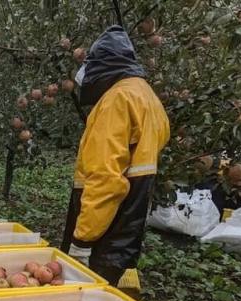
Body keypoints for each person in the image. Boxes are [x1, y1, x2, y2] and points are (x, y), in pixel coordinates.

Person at [61, 26, 170, 286]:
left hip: (105, 230)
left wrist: (82, 240)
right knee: (102, 296)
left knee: (83, 297)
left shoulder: (116, 100)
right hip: (129, 221)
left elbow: (105, 178)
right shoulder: (147, 97)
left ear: (101, 67)